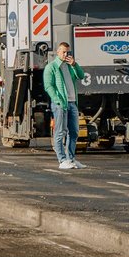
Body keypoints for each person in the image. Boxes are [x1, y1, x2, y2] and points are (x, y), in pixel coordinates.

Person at [43, 42, 87, 170]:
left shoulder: (69, 66)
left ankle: (71, 159)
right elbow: (48, 86)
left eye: (67, 52)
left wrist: (74, 64)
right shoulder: (51, 67)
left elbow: (81, 76)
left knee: (74, 132)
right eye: (63, 52)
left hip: (72, 103)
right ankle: (62, 160)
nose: (66, 54)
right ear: (57, 52)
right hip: (60, 104)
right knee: (60, 132)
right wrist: (57, 100)